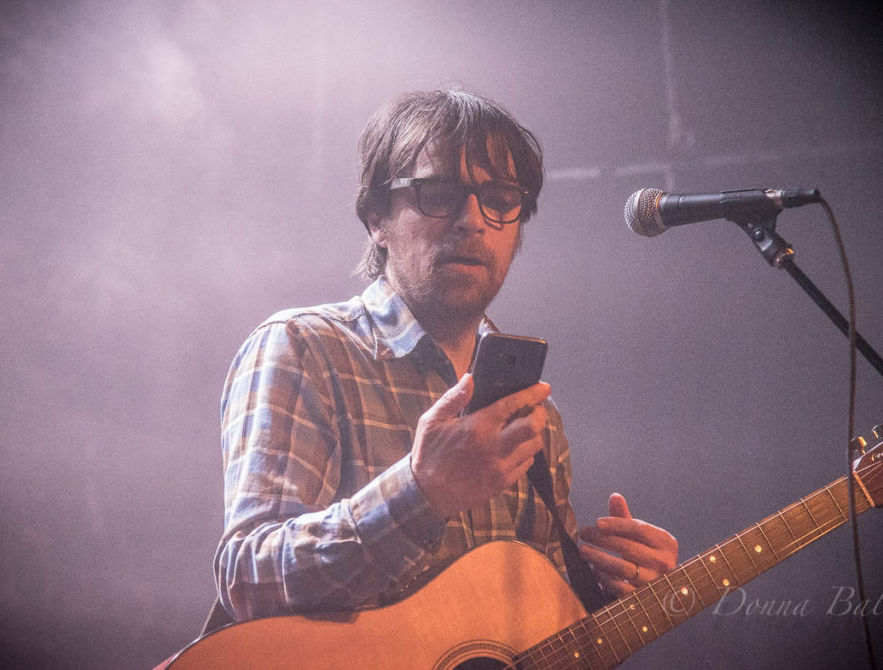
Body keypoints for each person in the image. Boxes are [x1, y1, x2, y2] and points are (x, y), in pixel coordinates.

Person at [214, 89, 678, 622]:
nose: (474, 221)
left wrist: (616, 604)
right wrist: (422, 492)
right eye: (438, 193)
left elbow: (538, 643)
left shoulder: (535, 414)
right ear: (376, 219)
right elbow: (248, 581)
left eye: (501, 199)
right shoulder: (305, 348)